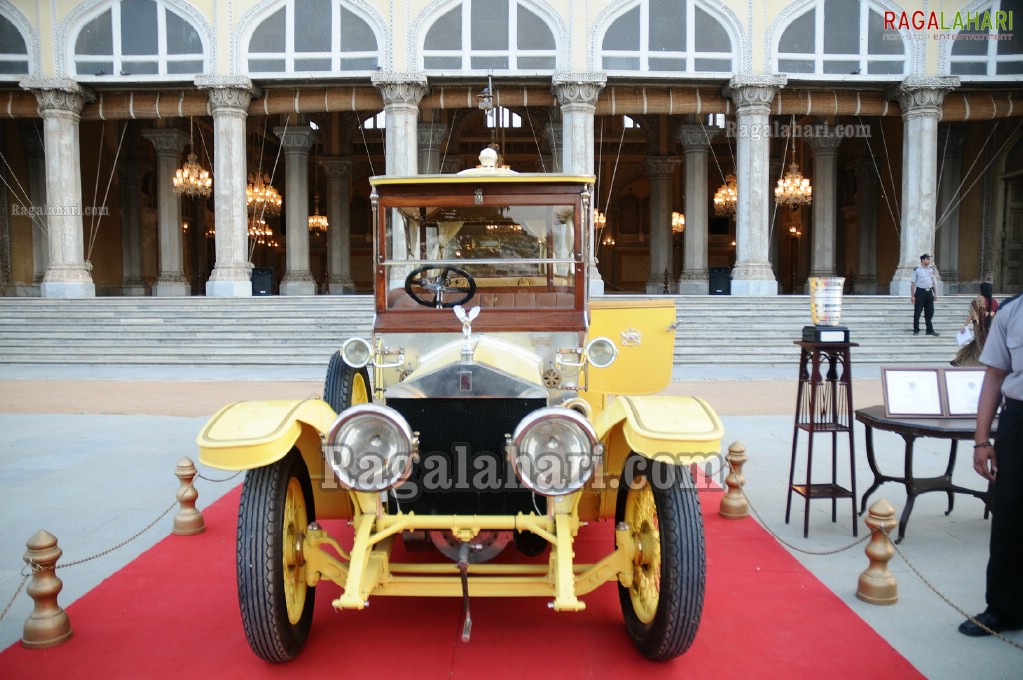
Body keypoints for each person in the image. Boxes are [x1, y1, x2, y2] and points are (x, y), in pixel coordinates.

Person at [960, 293, 1023, 636]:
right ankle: (1004, 608)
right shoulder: (1012, 312)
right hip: (1019, 422)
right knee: (1010, 516)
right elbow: (994, 376)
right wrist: (982, 440)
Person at [951, 282, 999, 367]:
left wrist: (964, 325)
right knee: (980, 344)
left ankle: (984, 363)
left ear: (981, 290)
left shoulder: (979, 299)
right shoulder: (994, 301)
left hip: (979, 328)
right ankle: (963, 360)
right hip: (990, 329)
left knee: (980, 345)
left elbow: (972, 314)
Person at [910, 253, 940, 336]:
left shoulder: (931, 270)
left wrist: (935, 294)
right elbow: (913, 283)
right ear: (922, 260)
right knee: (917, 312)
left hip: (929, 292)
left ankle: (929, 330)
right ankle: (916, 330)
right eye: (927, 259)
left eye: (929, 259)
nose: (928, 261)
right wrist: (912, 295)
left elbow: (933, 282)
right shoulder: (917, 270)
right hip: (920, 292)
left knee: (930, 311)